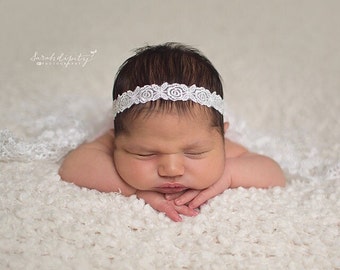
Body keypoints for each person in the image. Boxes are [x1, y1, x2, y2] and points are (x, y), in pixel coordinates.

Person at [59, 43, 285, 222]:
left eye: (194, 153)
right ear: (116, 139)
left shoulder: (216, 144)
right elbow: (73, 165)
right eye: (145, 154)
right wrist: (136, 190)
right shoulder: (117, 138)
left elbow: (274, 173)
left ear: (222, 138)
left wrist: (230, 173)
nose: (171, 169)